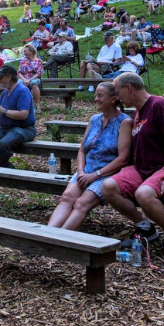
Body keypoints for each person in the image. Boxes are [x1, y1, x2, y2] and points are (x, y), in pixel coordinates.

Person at [101, 73, 164, 259]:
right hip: (143, 169)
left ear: (129, 88)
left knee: (144, 194)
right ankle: (145, 228)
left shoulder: (160, 105)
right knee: (108, 187)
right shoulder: (138, 111)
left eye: (118, 92)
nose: (117, 97)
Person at [48, 82, 132, 230]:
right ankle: (48, 235)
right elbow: (82, 150)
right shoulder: (94, 119)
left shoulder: (124, 122)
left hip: (107, 173)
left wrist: (95, 175)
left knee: (82, 203)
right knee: (67, 197)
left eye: (100, 96)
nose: (96, 99)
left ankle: (60, 240)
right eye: (96, 95)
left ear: (113, 99)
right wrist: (81, 171)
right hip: (87, 170)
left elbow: (123, 159)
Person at [0, 65, 36, 168]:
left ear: (9, 77)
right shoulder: (5, 92)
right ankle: (6, 167)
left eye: (0, 77)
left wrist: (4, 111)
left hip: (24, 129)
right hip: (5, 129)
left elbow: (23, 115)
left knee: (3, 143)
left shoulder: (22, 91)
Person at [18, 44, 44, 111]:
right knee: (19, 83)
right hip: (24, 78)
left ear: (31, 52)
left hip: (35, 78)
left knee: (34, 83)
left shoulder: (38, 61)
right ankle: (23, 105)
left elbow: (39, 73)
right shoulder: (23, 61)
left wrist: (29, 80)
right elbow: (19, 72)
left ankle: (38, 106)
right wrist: (24, 79)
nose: (24, 53)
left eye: (25, 51)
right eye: (24, 51)